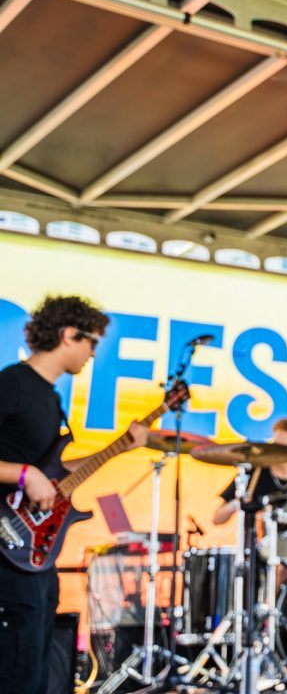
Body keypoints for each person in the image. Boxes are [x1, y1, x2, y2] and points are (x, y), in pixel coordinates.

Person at [0, 295, 148, 694]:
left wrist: (122, 446)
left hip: (34, 554)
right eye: (91, 342)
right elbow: (32, 473)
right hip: (7, 543)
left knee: (35, 665)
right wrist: (22, 474)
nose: (93, 354)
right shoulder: (12, 384)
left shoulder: (49, 398)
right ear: (68, 335)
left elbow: (53, 469)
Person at [212, 417, 287, 524]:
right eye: (278, 446)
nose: (281, 452)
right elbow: (217, 518)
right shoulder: (254, 474)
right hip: (259, 538)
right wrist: (237, 503)